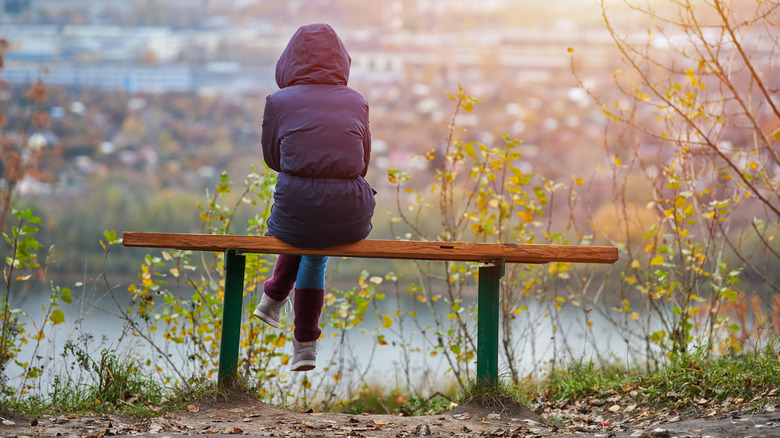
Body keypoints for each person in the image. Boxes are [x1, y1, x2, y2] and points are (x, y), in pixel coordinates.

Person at [252, 23, 375, 372]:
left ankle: (277, 299)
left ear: (288, 60)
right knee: (315, 249)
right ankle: (303, 341)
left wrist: (302, 167)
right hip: (349, 211)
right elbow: (363, 162)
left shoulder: (278, 102)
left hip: (295, 209)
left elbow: (271, 159)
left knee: (304, 225)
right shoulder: (357, 101)